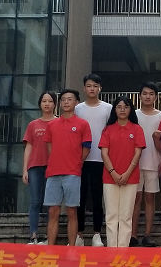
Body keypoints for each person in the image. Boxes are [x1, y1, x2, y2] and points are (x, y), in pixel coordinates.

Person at [44, 89, 92, 246]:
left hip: (72, 172)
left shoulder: (83, 124)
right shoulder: (52, 124)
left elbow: (87, 147)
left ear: (76, 102)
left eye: (70, 99)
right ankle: (51, 247)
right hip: (53, 172)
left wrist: (78, 162)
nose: (66, 102)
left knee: (72, 211)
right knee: (53, 211)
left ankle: (72, 247)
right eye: (63, 99)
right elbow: (50, 147)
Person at [100, 96, 146, 247]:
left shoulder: (137, 129)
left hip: (130, 178)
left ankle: (123, 250)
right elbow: (104, 153)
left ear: (130, 109)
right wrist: (113, 172)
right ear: (114, 110)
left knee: (126, 216)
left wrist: (126, 174)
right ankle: (112, 249)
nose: (122, 110)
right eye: (119, 107)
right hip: (109, 178)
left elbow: (138, 153)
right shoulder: (108, 129)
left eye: (125, 107)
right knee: (111, 216)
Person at [75, 73, 112, 247]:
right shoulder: (78, 109)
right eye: (89, 86)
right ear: (84, 88)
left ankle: (97, 234)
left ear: (100, 88)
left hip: (101, 159)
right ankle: (79, 234)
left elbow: (111, 133)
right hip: (80, 160)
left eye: (95, 86)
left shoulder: (108, 108)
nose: (92, 89)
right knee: (80, 197)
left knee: (98, 197)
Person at [132, 82, 161, 247]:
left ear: (156, 97)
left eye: (151, 94)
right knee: (135, 199)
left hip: (154, 161)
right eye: (145, 93)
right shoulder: (133, 114)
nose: (148, 96)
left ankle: (147, 234)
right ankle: (132, 235)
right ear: (140, 96)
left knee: (150, 198)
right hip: (134, 164)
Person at [21, 91, 57, 244]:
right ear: (40, 104)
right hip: (35, 166)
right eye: (44, 101)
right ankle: (33, 235)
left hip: (53, 167)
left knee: (51, 203)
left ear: (55, 104)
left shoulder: (59, 122)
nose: (47, 104)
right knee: (35, 201)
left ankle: (50, 237)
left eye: (50, 101)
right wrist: (25, 169)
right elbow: (28, 147)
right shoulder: (33, 124)